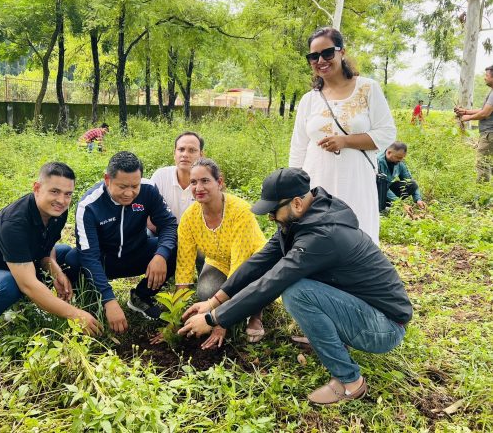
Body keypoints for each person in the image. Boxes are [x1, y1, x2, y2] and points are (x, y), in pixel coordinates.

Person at [178, 168, 412, 405]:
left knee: (296, 291)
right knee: (297, 287)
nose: (270, 218)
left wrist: (213, 319)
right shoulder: (304, 219)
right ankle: (331, 335)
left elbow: (270, 283)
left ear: (297, 203)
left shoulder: (321, 236)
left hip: (384, 327)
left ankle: (350, 382)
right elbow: (259, 263)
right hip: (363, 309)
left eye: (272, 211)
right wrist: (213, 301)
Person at [0, 162, 102, 341]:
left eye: (67, 194)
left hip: (14, 267)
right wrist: (75, 315)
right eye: (54, 192)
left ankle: (29, 305)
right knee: (8, 284)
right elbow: (28, 284)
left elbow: (46, 251)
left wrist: (56, 273)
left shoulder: (57, 212)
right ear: (37, 188)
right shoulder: (14, 223)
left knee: (65, 254)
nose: (61, 200)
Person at [289, 27, 396, 245]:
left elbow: (387, 132)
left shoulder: (367, 88)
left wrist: (345, 141)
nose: (321, 60)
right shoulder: (309, 99)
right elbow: (298, 146)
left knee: (357, 233)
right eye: (313, 56)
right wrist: (294, 189)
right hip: (317, 179)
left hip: (355, 179)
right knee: (317, 236)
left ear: (342, 52)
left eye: (327, 53)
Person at [70, 151, 178, 333]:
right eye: (122, 187)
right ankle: (90, 301)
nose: (129, 193)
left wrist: (161, 255)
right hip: (105, 260)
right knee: (72, 260)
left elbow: (169, 224)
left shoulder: (149, 189)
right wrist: (109, 299)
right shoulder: (88, 206)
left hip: (138, 252)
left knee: (176, 247)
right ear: (107, 179)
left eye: (134, 186)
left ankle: (141, 297)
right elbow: (89, 256)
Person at [174, 158, 267, 344]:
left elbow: (240, 268)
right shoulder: (190, 217)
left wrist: (220, 322)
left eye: (205, 181)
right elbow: (184, 265)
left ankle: (256, 314)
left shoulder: (240, 211)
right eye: (193, 182)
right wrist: (175, 317)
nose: (198, 187)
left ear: (220, 182)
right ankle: (235, 304)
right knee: (205, 292)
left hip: (253, 263)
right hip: (219, 261)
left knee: (251, 286)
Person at [149, 131, 204, 226]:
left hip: (195, 236)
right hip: (161, 233)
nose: (185, 154)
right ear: (174, 154)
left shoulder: (206, 183)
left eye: (192, 150)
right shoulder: (160, 176)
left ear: (201, 155)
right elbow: (147, 216)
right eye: (181, 149)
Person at [454, 65, 493, 182]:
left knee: (482, 163)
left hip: (489, 134)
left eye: (486, 76)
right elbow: (484, 110)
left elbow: (485, 113)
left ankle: (482, 195)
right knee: (490, 163)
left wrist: (467, 118)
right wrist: (465, 111)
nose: (484, 78)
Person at [377, 142, 426, 209]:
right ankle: (381, 207)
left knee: (412, 184)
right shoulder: (378, 161)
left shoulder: (399, 162)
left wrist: (418, 199)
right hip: (375, 190)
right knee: (381, 187)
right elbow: (382, 187)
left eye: (402, 158)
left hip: (386, 188)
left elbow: (409, 179)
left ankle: (387, 204)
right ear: (389, 153)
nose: (400, 160)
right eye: (398, 157)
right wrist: (401, 204)